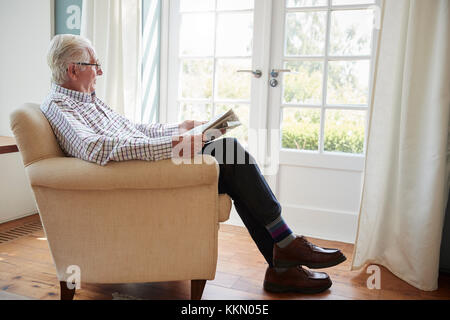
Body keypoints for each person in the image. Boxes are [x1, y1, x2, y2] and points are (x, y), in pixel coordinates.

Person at [41, 34, 346, 295]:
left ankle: (282, 263)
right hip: (143, 178)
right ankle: (285, 246)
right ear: (73, 69)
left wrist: (182, 128)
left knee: (231, 159)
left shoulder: (89, 99)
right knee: (228, 151)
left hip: (152, 167)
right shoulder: (58, 107)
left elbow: (135, 129)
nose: (101, 71)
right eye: (95, 65)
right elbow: (95, 148)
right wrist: (177, 145)